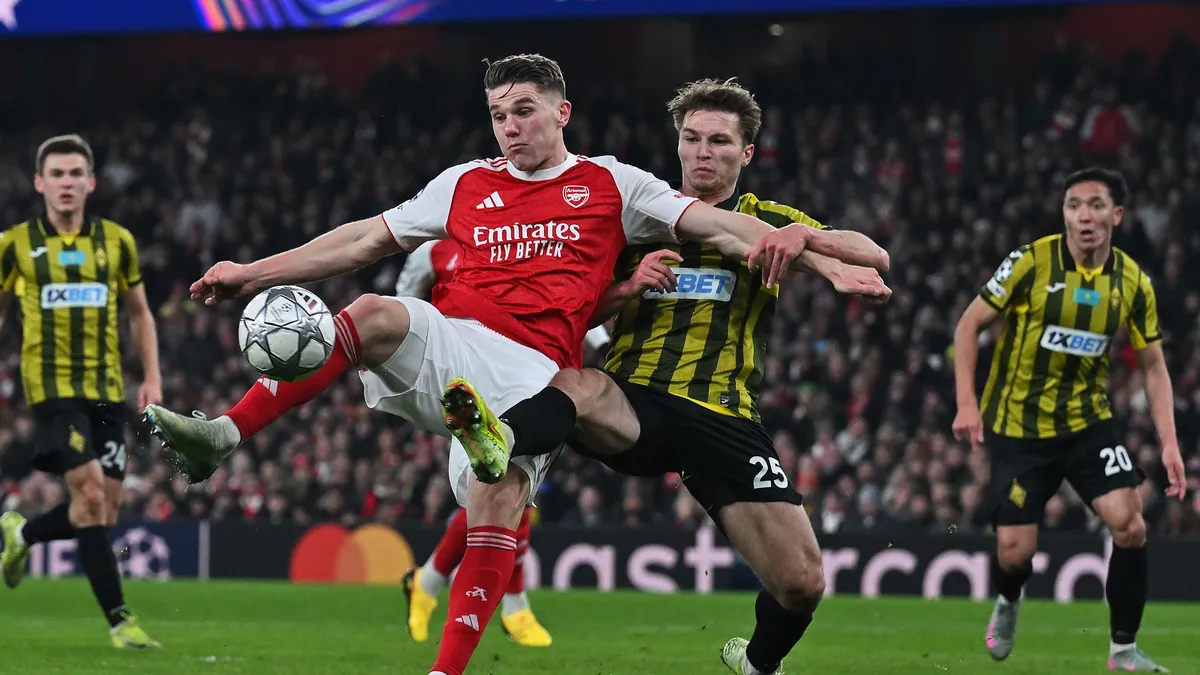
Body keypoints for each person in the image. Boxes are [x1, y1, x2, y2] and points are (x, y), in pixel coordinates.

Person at [143, 54, 889, 675]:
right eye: (499, 114)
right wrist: (254, 271)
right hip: (570, 382)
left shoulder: (628, 192)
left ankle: (752, 662)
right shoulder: (477, 186)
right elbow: (363, 239)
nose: (509, 125)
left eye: (523, 110)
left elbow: (756, 234)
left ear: (562, 113)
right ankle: (228, 434)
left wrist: (812, 250)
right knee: (395, 320)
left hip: (678, 403)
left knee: (799, 581)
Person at [441, 78, 891, 675]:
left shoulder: (765, 222)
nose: (703, 152)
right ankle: (498, 439)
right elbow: (576, 316)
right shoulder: (635, 218)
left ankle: (758, 664)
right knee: (577, 383)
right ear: (677, 144)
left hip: (723, 415)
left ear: (746, 153)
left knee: (802, 583)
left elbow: (875, 253)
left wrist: (806, 236)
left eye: (719, 141)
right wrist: (627, 287)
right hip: (635, 402)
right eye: (691, 138)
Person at [951, 167, 1186, 672]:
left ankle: (1123, 651)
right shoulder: (1030, 262)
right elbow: (969, 325)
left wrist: (1169, 442)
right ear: (1064, 214)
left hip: (1086, 423)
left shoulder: (1133, 282)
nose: (1084, 216)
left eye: (1096, 205)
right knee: (1015, 554)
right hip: (1020, 429)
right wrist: (966, 402)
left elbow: (1153, 366)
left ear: (1116, 215)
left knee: (1130, 524)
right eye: (1074, 205)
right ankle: (1008, 599)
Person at [0, 134, 162, 649]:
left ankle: (22, 534)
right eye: (57, 174)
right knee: (90, 494)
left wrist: (152, 377)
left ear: (91, 182)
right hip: (51, 391)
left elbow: (140, 313)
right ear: (39, 183)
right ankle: (120, 621)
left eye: (75, 174)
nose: (66, 183)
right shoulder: (14, 245)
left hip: (107, 391)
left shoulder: (117, 241)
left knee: (104, 509)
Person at [395, 237, 582, 647]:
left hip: (520, 367)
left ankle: (430, 581)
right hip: (463, 380)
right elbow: (405, 299)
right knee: (504, 484)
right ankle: (512, 605)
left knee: (500, 487)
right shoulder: (434, 251)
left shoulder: (517, 240)